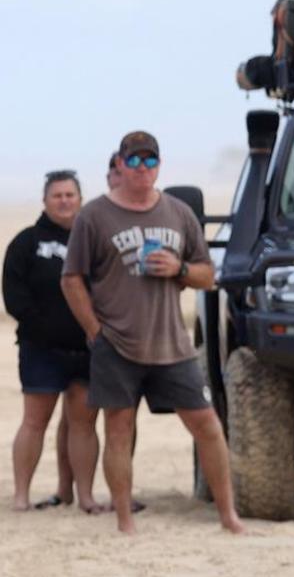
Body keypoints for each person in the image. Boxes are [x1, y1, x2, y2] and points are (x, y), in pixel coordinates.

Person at [62, 131, 245, 535]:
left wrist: (177, 269)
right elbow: (71, 278)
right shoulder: (94, 216)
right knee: (118, 429)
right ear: (120, 165)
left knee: (208, 426)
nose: (143, 169)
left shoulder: (178, 213)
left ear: (159, 166)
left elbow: (207, 276)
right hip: (116, 345)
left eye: (150, 161)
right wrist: (94, 329)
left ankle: (229, 516)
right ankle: (125, 521)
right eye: (135, 161)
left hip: (172, 345)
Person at [3, 170, 104, 513]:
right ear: (45, 201)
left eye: (70, 195)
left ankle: (86, 496)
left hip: (88, 348)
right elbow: (14, 295)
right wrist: (42, 328)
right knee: (35, 422)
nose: (64, 201)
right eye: (57, 195)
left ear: (80, 199)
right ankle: (20, 496)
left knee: (83, 422)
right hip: (40, 349)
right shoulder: (26, 242)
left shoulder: (94, 240)